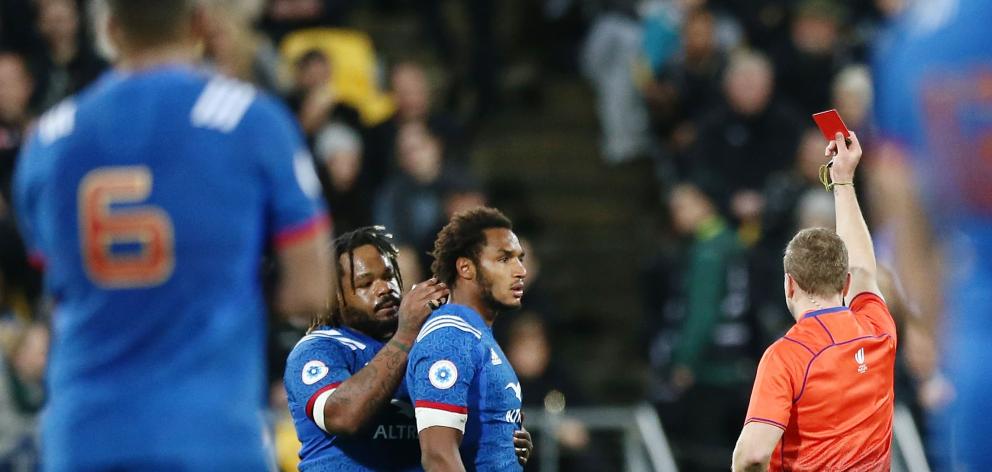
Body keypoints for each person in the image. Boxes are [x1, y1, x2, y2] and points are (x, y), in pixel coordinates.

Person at [12, 0, 332, 470]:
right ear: (199, 22)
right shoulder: (250, 120)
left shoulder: (50, 137)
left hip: (84, 436)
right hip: (209, 433)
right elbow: (309, 289)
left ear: (111, 28)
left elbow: (54, 279)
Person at [283, 226, 532, 470]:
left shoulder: (430, 344)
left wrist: (500, 437)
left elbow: (452, 428)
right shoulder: (317, 350)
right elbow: (343, 416)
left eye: (389, 276)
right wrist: (406, 335)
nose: (385, 289)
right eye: (365, 283)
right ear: (335, 296)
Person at [732, 132, 897, 471]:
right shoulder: (878, 330)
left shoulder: (786, 357)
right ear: (845, 283)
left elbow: (752, 455)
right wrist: (844, 181)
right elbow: (864, 267)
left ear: (789, 285)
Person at [407, 207, 531, 470]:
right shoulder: (449, 337)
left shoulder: (477, 335)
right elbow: (438, 456)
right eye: (504, 259)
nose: (521, 270)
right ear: (466, 267)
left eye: (520, 258)